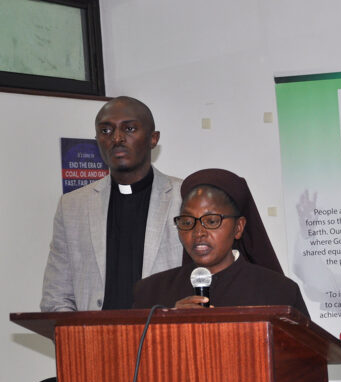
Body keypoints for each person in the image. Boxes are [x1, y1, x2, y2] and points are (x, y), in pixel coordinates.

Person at [41, 96, 183, 311]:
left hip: (164, 338)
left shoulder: (184, 197)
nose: (117, 138)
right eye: (106, 131)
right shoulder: (72, 205)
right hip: (97, 340)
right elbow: (56, 296)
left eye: (130, 129)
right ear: (97, 140)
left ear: (153, 139)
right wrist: (78, 340)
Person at [133, 168, 307, 312]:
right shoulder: (150, 293)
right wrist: (167, 322)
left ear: (238, 227)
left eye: (211, 221)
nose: (198, 232)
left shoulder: (278, 293)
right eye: (187, 222)